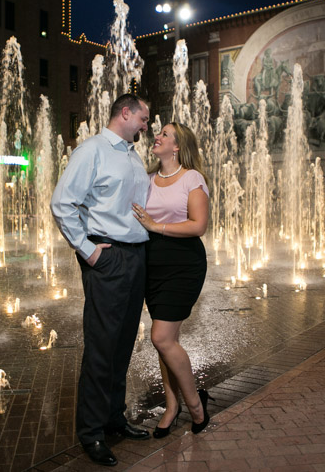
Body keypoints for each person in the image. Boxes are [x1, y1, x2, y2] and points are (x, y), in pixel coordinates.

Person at [50, 94, 151, 467]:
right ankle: (91, 432)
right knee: (101, 345)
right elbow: (62, 203)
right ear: (125, 113)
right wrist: (88, 251)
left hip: (136, 256)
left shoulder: (129, 153)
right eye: (143, 117)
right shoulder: (92, 150)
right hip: (108, 258)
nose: (146, 125)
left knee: (123, 343)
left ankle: (113, 418)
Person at [131, 122, 214, 439]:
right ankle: (171, 405)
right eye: (159, 133)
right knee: (165, 341)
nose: (158, 137)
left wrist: (156, 226)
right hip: (153, 264)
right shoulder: (148, 179)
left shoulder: (192, 178)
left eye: (165, 135)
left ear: (177, 147)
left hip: (183, 263)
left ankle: (195, 406)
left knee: (161, 338)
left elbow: (198, 225)